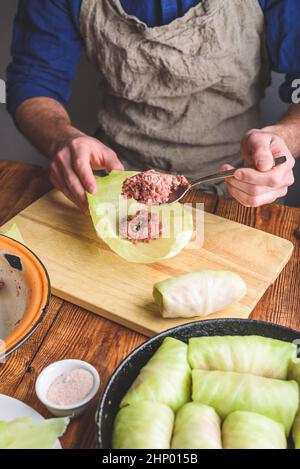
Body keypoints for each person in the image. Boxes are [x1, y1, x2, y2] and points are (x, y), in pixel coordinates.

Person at [6, 0, 299, 212]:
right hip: (113, 183)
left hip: (240, 183)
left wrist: (280, 141)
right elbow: (34, 81)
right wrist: (63, 139)